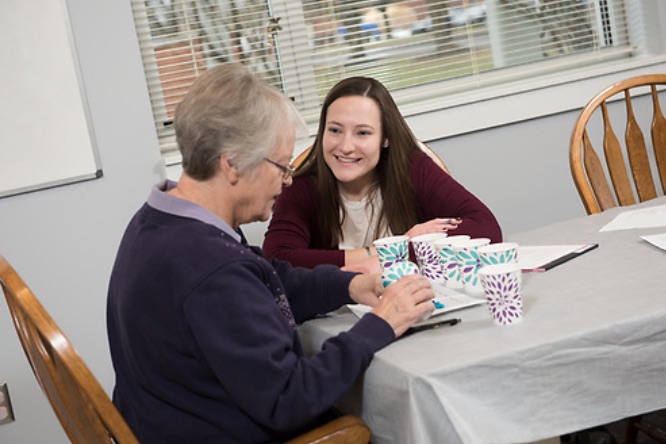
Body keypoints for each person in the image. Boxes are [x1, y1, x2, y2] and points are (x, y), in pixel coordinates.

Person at [106, 64, 435, 444]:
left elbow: (263, 279)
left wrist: (351, 285)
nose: (289, 179)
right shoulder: (213, 270)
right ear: (231, 164)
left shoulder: (161, 220)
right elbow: (289, 399)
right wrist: (381, 322)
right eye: (281, 165)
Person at [262, 76, 502, 271]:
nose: (345, 146)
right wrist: (392, 250)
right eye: (335, 130)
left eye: (363, 133)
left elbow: (486, 230)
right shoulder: (301, 188)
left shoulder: (412, 170)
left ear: (385, 138)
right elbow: (279, 260)